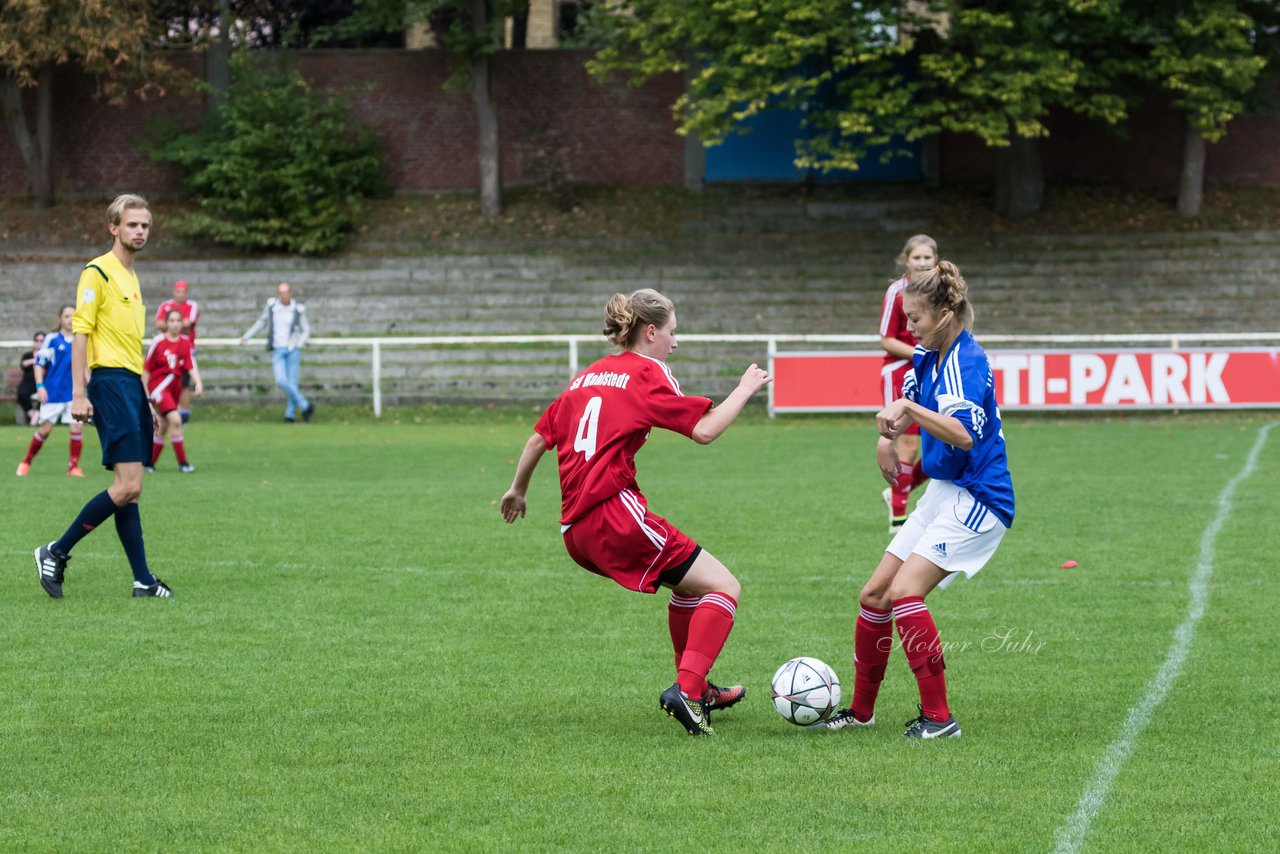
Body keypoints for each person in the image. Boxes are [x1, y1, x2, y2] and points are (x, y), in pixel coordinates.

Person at [500, 288, 772, 737]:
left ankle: (697, 687)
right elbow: (703, 431)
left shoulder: (586, 376)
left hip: (574, 530)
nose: (675, 343)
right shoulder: (649, 371)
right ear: (650, 332)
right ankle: (686, 691)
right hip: (613, 515)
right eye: (672, 332)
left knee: (688, 589)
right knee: (725, 587)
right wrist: (744, 390)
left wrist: (517, 490)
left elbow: (536, 439)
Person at [814, 261, 1014, 738]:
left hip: (980, 497)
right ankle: (861, 713)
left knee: (906, 592)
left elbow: (964, 434)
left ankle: (940, 718)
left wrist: (909, 410)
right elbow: (904, 414)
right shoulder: (927, 356)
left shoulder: (968, 359)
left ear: (945, 313)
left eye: (917, 318)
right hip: (945, 493)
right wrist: (888, 438)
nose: (909, 326)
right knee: (875, 595)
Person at [32, 194, 173, 599]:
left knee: (130, 487)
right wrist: (79, 392)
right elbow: (82, 333)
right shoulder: (98, 272)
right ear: (114, 227)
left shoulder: (132, 277)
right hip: (108, 384)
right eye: (132, 225)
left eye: (145, 225)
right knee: (128, 485)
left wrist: (146, 398)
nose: (140, 231)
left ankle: (143, 581)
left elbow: (131, 345)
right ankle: (55, 551)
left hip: (130, 385)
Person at [878, 234, 938, 531]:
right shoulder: (897, 291)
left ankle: (896, 494)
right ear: (907, 260)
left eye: (928, 257)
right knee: (909, 445)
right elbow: (886, 339)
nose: (923, 262)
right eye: (918, 257)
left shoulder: (942, 291)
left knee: (942, 449)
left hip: (932, 373)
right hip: (901, 372)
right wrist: (920, 353)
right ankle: (899, 520)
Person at [16, 308, 85, 477]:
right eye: (67, 316)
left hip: (73, 393)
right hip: (53, 392)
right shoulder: (52, 339)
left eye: (73, 316)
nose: (70, 319)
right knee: (45, 430)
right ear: (60, 319)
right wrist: (40, 386)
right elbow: (39, 363)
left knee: (77, 427)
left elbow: (84, 367)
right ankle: (26, 461)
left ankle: (73, 467)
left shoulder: (80, 339)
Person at [239, 282, 314, 423]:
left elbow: (306, 329)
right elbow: (261, 322)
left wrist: (299, 343)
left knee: (292, 383)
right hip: (278, 349)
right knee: (281, 380)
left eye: (285, 292)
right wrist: (247, 336)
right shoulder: (272, 307)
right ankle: (305, 405)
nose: (283, 296)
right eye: (280, 293)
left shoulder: (297, 309)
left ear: (290, 293)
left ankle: (289, 415)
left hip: (293, 349)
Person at [143, 308, 203, 473]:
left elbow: (190, 365)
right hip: (159, 388)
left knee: (163, 426)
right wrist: (145, 392)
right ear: (166, 323)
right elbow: (147, 369)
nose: (175, 324)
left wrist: (198, 382)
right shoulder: (158, 341)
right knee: (176, 421)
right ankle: (183, 463)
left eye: (178, 320)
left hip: (174, 388)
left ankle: (149, 463)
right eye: (172, 320)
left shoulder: (185, 342)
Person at [153, 279, 200, 423]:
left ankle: (184, 415)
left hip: (184, 352)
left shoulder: (192, 305)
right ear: (173, 291)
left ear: (187, 293)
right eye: (177, 291)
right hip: (166, 352)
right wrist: (176, 326)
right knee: (164, 381)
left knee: (184, 384)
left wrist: (168, 325)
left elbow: (188, 324)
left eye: (183, 292)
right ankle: (166, 412)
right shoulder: (165, 305)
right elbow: (157, 323)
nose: (180, 294)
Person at [16, 330, 45, 426]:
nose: (39, 343)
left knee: (45, 395)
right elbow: (23, 364)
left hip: (42, 383)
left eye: (42, 341)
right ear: (34, 341)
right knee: (21, 393)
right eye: (37, 340)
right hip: (28, 383)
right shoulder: (27, 355)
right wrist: (35, 360)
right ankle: (34, 418)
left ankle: (33, 421)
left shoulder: (47, 355)